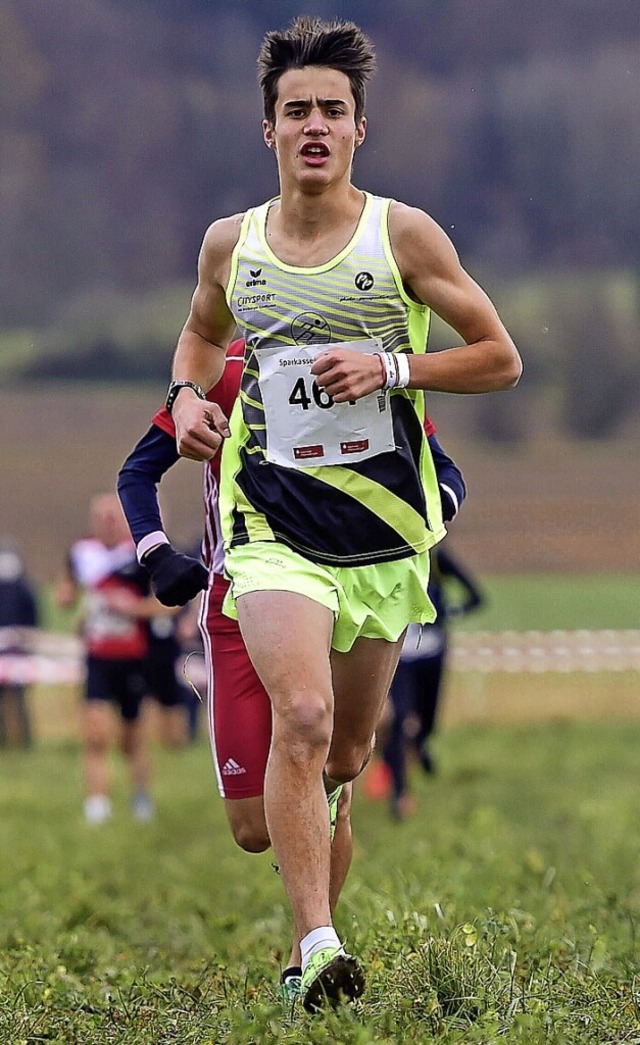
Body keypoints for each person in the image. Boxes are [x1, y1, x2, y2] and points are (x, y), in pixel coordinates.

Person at [164, 16, 522, 1010]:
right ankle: (320, 943)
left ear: (359, 128)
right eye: (295, 111)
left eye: (331, 110)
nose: (312, 125)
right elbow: (197, 338)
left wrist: (393, 366)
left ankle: (300, 945)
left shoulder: (401, 235)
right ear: (267, 131)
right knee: (305, 716)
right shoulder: (230, 244)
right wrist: (190, 398)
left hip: (383, 536)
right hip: (269, 521)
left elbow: (498, 357)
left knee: (348, 753)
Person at [117, 337, 465, 1000]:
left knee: (329, 754)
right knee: (252, 829)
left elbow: (441, 467)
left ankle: (311, 951)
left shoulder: (360, 358)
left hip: (343, 583)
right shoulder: (226, 367)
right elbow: (139, 472)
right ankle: (312, 905)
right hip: (238, 592)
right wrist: (157, 552)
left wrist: (428, 512)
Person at [55, 493, 172, 824]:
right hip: (98, 656)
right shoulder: (81, 553)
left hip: (135, 656)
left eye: (113, 515)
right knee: (94, 734)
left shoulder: (143, 554)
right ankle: (97, 806)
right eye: (101, 516)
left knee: (132, 739)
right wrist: (70, 601)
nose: (107, 521)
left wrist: (133, 608)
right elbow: (65, 592)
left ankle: (140, 799)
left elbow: (170, 603)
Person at [374, 543, 484, 819]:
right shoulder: (383, 552)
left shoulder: (436, 557)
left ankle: (420, 747)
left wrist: (448, 613)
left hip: (433, 654)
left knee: (428, 721)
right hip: (399, 656)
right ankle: (400, 794)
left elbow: (476, 597)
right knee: (398, 720)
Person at [0, 538, 39, 747]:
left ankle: (25, 741)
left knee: (19, 698)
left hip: (19, 651)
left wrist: (27, 639)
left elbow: (32, 617)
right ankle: (4, 740)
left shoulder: (24, 589)